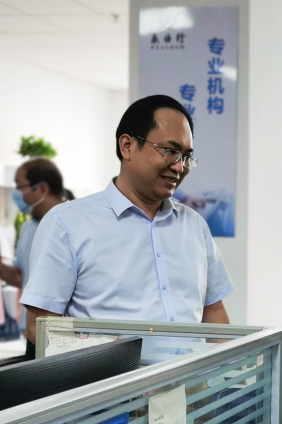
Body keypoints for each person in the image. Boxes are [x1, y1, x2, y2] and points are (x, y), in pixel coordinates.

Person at [21, 95, 234, 354]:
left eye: (186, 156)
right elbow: (39, 326)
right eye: (170, 151)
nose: (179, 166)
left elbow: (214, 314)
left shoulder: (195, 226)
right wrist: (111, 355)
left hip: (190, 380)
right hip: (112, 379)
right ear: (127, 146)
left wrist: (231, 369)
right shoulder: (68, 223)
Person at [0, 159, 69, 331]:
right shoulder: (28, 227)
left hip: (65, 332)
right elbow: (21, 278)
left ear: (41, 189)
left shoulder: (73, 223)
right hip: (32, 330)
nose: (17, 195)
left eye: (20, 187)